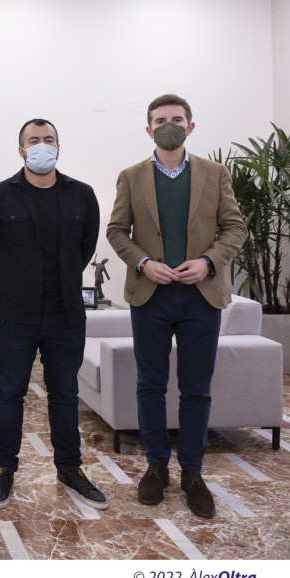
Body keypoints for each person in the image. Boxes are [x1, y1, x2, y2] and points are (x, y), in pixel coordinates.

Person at [106, 94, 247, 518]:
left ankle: (192, 472)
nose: (169, 125)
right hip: (150, 297)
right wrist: (144, 263)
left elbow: (234, 227)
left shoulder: (215, 173)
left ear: (191, 126)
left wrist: (208, 262)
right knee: (150, 385)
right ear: (148, 129)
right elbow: (117, 231)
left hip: (201, 297)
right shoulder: (131, 176)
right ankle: (156, 467)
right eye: (160, 120)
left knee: (196, 388)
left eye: (177, 119)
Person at [0, 119, 107, 510]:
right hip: (14, 312)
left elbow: (85, 248)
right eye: (34, 141)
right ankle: (3, 469)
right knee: (10, 392)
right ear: (21, 150)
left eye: (49, 140)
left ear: (59, 147)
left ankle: (69, 468)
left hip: (66, 313)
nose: (42, 146)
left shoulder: (82, 195)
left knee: (64, 393)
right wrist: (12, 282)